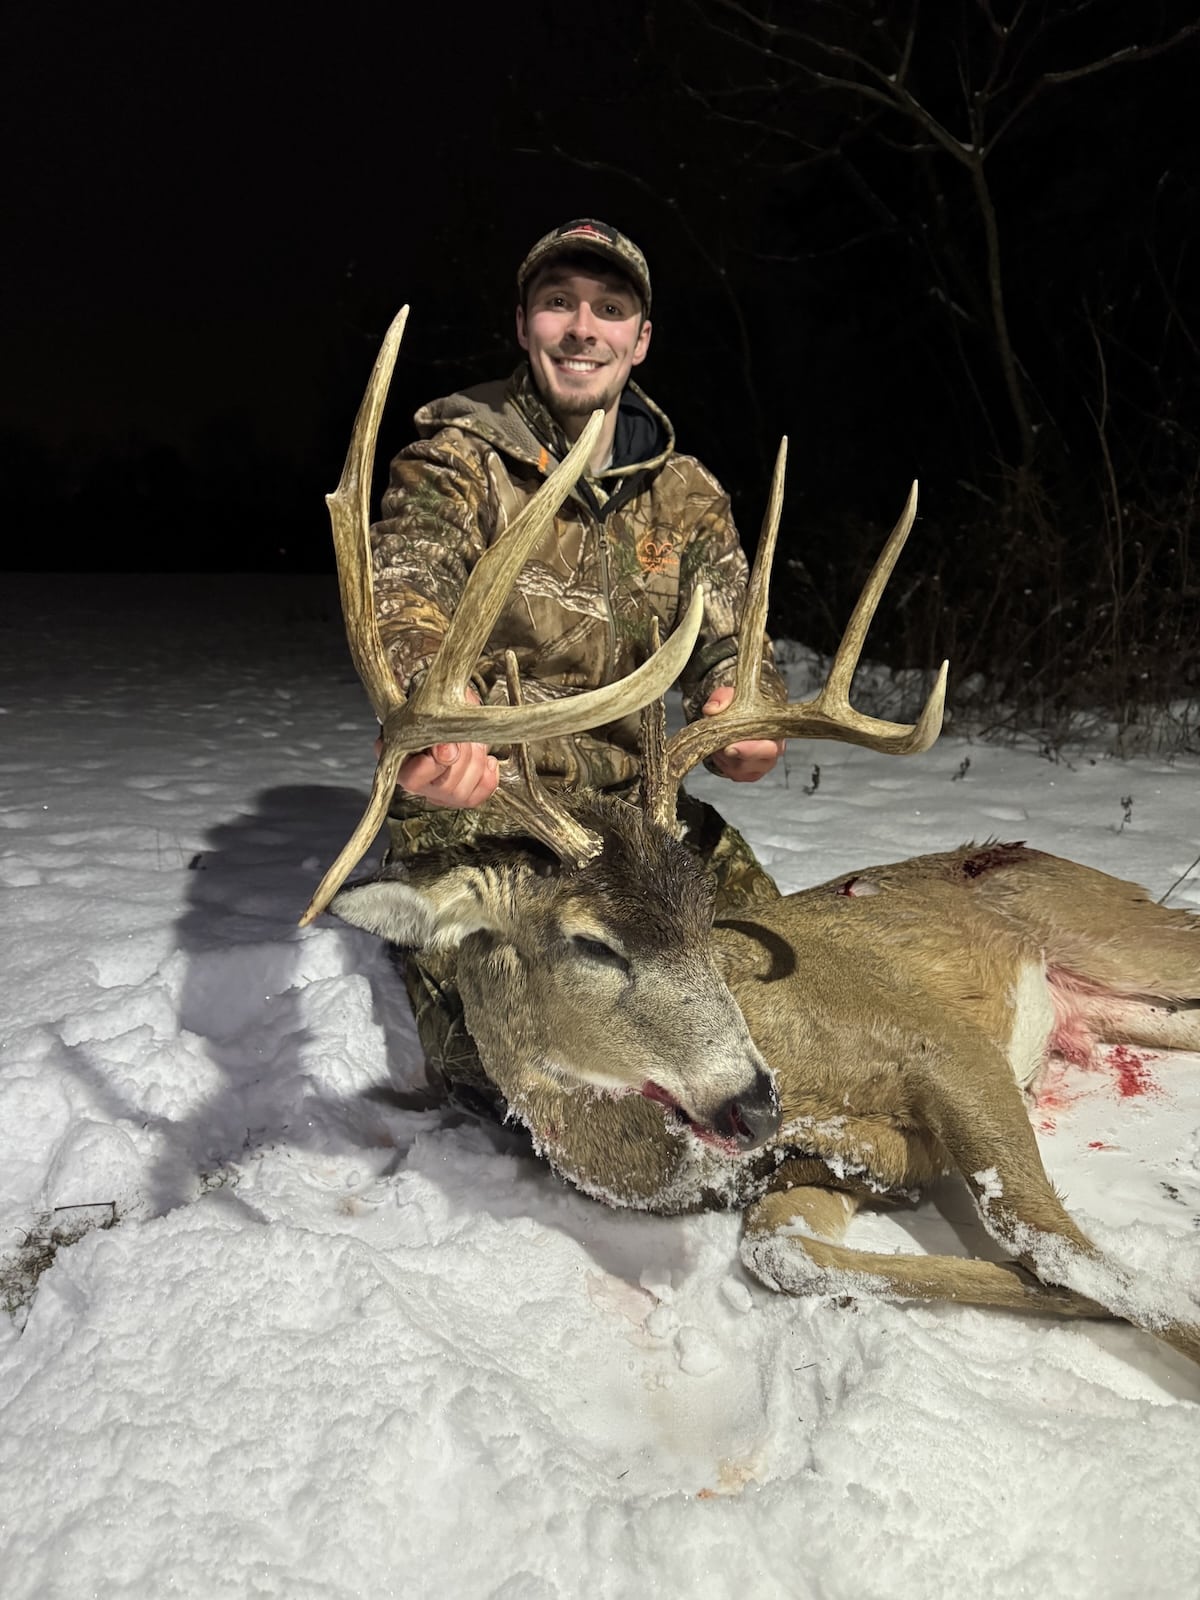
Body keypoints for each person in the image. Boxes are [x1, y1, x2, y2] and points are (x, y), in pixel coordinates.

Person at [369, 218, 788, 1108]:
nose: (582, 328)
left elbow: (731, 629)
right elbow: (407, 591)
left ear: (640, 339)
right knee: (506, 1067)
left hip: (638, 813)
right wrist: (443, 716)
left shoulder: (687, 493)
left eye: (609, 308)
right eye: (558, 304)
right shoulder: (455, 464)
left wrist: (741, 702)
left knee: (784, 971)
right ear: (524, 326)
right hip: (493, 807)